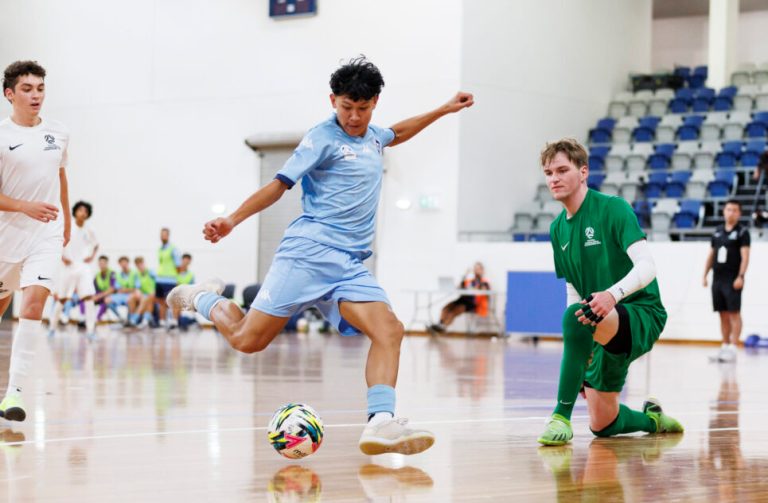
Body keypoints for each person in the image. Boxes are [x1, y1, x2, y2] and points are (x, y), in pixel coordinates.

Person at [168, 56, 474, 455]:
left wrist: (444, 108)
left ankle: (380, 422)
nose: (353, 117)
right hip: (307, 255)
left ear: (375, 103)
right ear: (333, 100)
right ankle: (199, 296)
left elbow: (397, 132)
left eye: (362, 109)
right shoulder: (321, 138)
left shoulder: (373, 136)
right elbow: (278, 186)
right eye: (346, 107)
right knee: (246, 341)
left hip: (349, 266)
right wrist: (232, 220)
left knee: (390, 330)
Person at [537, 138, 683, 446]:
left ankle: (560, 415)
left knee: (576, 318)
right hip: (600, 318)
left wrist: (612, 295)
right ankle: (654, 421)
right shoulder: (556, 229)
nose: (554, 178)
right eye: (549, 173)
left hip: (641, 312)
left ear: (584, 171)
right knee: (603, 424)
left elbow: (647, 267)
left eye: (563, 170)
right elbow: (574, 288)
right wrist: (583, 346)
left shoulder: (613, 209)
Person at [0, 60, 71, 421]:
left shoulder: (58, 133)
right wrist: (25, 206)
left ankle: (14, 394)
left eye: (40, 88)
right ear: (10, 94)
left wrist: (67, 220)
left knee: (31, 307)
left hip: (46, 233)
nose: (35, 95)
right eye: (27, 89)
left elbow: (60, 177)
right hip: (6, 235)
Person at [702, 199, 750, 363]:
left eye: (735, 210)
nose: (731, 212)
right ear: (724, 211)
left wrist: (741, 276)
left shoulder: (743, 232)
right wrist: (705, 274)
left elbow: (745, 257)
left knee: (734, 313)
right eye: (729, 209)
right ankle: (724, 346)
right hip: (718, 279)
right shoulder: (717, 232)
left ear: (739, 213)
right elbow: (711, 254)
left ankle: (734, 348)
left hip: (733, 279)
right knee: (722, 314)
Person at [49, 201, 99, 337]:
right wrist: (62, 257)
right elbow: (56, 242)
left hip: (83, 267)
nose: (83, 213)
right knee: (62, 299)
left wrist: (92, 257)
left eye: (85, 211)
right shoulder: (67, 226)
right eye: (80, 210)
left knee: (89, 298)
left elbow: (96, 245)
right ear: (75, 211)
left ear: (88, 214)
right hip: (68, 267)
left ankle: (90, 331)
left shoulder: (90, 230)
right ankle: (52, 327)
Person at [429, 262, 490, 333]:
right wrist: (465, 275)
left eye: (478, 269)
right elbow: (459, 287)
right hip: (462, 299)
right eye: (475, 268)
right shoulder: (469, 281)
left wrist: (480, 278)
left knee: (453, 311)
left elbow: (485, 291)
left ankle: (443, 326)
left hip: (472, 303)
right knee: (446, 308)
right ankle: (439, 324)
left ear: (482, 270)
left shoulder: (484, 282)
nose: (476, 270)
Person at [155, 228, 181, 328]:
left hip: (170, 280)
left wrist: (176, 278)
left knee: (172, 301)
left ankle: (174, 322)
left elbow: (178, 265)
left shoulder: (173, 249)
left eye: (165, 234)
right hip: (159, 279)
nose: (163, 236)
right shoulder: (160, 249)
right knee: (161, 301)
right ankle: (162, 322)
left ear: (168, 236)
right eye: (161, 234)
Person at [114, 256, 141, 326]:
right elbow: (118, 289)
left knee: (131, 299)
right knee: (107, 300)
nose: (123, 264)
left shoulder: (134, 273)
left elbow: (136, 287)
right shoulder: (118, 275)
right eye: (121, 263)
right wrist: (129, 289)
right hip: (121, 295)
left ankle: (131, 320)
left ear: (128, 263)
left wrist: (125, 290)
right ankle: (121, 318)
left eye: (125, 262)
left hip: (131, 295)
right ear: (119, 264)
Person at [132, 256, 156, 329]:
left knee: (148, 298)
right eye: (138, 265)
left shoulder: (151, 272)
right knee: (146, 300)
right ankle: (145, 321)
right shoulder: (137, 275)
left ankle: (134, 319)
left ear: (144, 263)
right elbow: (137, 287)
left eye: (141, 264)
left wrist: (154, 291)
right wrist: (139, 293)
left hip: (154, 293)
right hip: (145, 295)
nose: (140, 266)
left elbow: (157, 283)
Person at [92, 255, 118, 321]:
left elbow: (112, 289)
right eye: (100, 264)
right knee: (87, 300)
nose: (101, 265)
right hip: (100, 296)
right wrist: (94, 296)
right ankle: (84, 317)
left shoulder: (112, 274)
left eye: (103, 263)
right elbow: (94, 289)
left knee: (106, 300)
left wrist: (99, 296)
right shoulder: (97, 276)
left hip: (109, 296)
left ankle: (98, 317)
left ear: (107, 264)